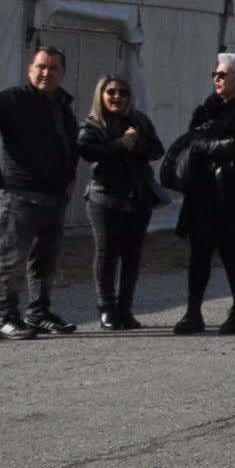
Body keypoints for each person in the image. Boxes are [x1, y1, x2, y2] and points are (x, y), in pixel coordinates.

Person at [0, 43, 81, 339]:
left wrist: (69, 177)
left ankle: (39, 314)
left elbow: (68, 144)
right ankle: (5, 318)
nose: (46, 73)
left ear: (62, 74)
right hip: (20, 196)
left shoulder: (62, 104)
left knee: (45, 261)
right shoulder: (14, 99)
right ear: (30, 70)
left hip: (55, 197)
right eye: (41, 67)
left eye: (53, 68)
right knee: (11, 260)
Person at [172, 50, 235, 335]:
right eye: (214, 74)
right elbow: (192, 141)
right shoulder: (207, 108)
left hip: (232, 189)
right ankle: (193, 312)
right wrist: (208, 147)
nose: (216, 79)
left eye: (222, 74)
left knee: (230, 250)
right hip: (202, 188)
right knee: (199, 251)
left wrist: (206, 147)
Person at [79, 75, 165, 329]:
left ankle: (125, 309)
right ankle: (106, 308)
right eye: (111, 92)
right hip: (104, 197)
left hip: (137, 197)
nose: (117, 97)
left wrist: (136, 143)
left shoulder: (140, 121)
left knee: (132, 254)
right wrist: (120, 145)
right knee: (107, 253)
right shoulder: (92, 125)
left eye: (122, 93)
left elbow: (157, 150)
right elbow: (88, 151)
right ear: (101, 95)